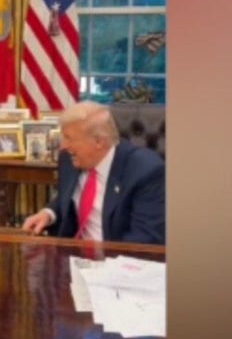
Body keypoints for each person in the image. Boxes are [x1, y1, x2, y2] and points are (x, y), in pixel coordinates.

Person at [21, 101, 165, 244]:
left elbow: (145, 238)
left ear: (99, 142)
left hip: (117, 260)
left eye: (69, 138)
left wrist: (103, 266)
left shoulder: (146, 171)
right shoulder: (69, 159)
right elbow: (67, 197)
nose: (63, 146)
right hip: (73, 256)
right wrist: (48, 213)